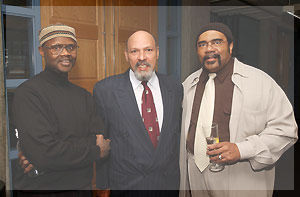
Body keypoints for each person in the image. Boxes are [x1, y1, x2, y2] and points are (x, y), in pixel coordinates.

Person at [179, 22, 298, 197]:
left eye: (217, 42)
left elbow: (286, 130)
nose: (209, 49)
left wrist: (242, 149)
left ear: (231, 46)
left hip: (240, 173)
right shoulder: (188, 84)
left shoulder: (261, 82)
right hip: (195, 172)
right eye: (202, 44)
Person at [12, 24, 110, 195]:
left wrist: (55, 149)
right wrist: (93, 151)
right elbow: (45, 154)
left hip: (82, 189)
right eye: (56, 47)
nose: (65, 53)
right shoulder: (28, 93)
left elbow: (101, 139)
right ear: (42, 51)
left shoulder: (84, 96)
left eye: (70, 47)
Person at [93, 30, 183, 196]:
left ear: (157, 52)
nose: (142, 57)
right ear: (126, 55)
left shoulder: (175, 87)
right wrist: (102, 185)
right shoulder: (105, 90)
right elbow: (102, 142)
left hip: (167, 185)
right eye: (135, 51)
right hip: (126, 187)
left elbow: (175, 138)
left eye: (148, 50)